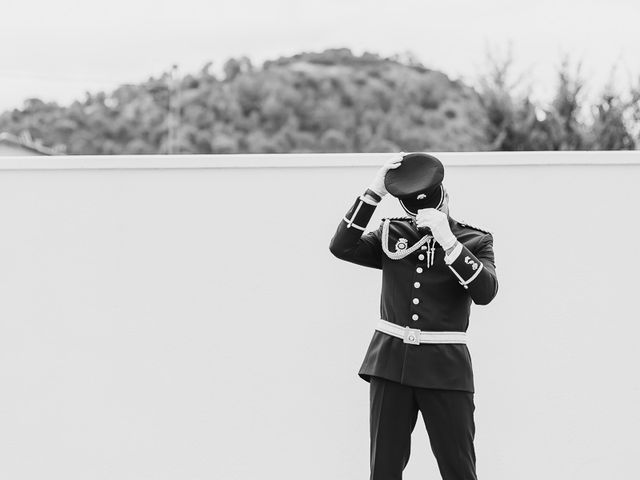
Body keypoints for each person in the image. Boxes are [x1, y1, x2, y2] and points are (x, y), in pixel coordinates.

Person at [329, 152, 499, 480]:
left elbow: (486, 293)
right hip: (390, 364)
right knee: (384, 471)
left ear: (445, 196)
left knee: (459, 470)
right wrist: (374, 193)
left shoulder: (475, 240)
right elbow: (341, 247)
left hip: (445, 369)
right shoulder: (392, 232)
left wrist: (448, 240)